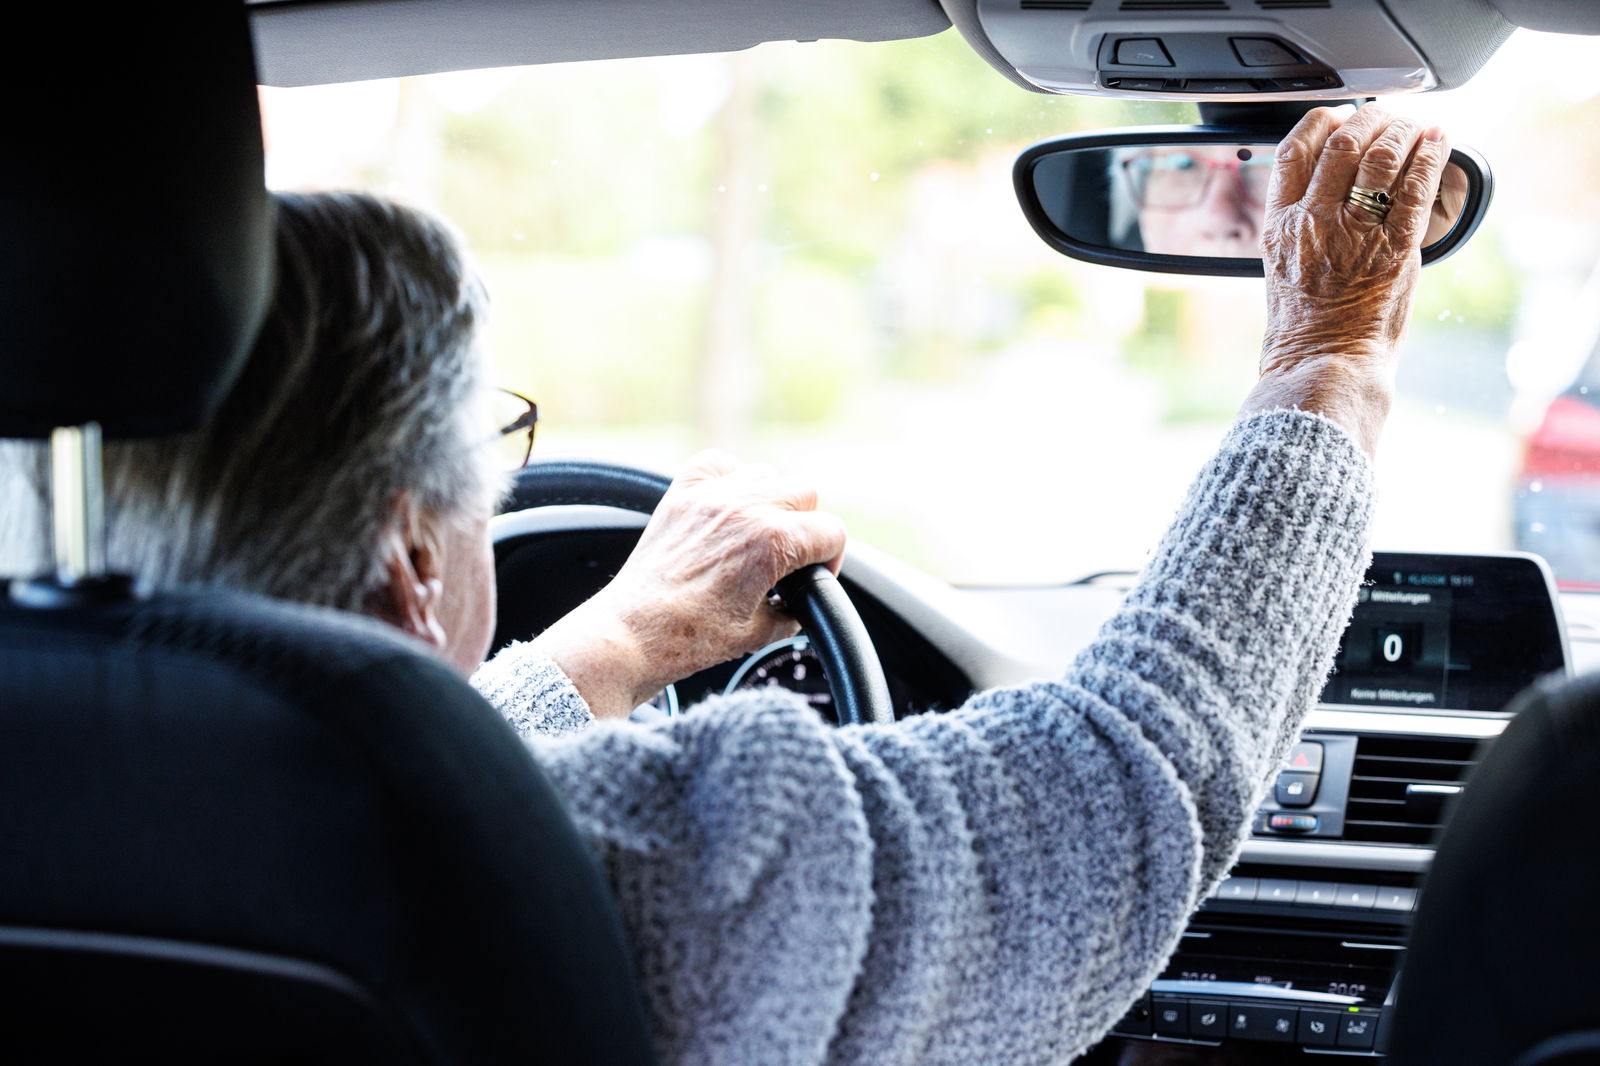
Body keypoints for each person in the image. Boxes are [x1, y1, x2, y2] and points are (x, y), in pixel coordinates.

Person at [0, 104, 1448, 1064]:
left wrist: (610, 647)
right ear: (408, 555)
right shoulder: (667, 863)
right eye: (486, 465)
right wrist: (1331, 355)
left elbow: (340, 772)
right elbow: (1130, 781)